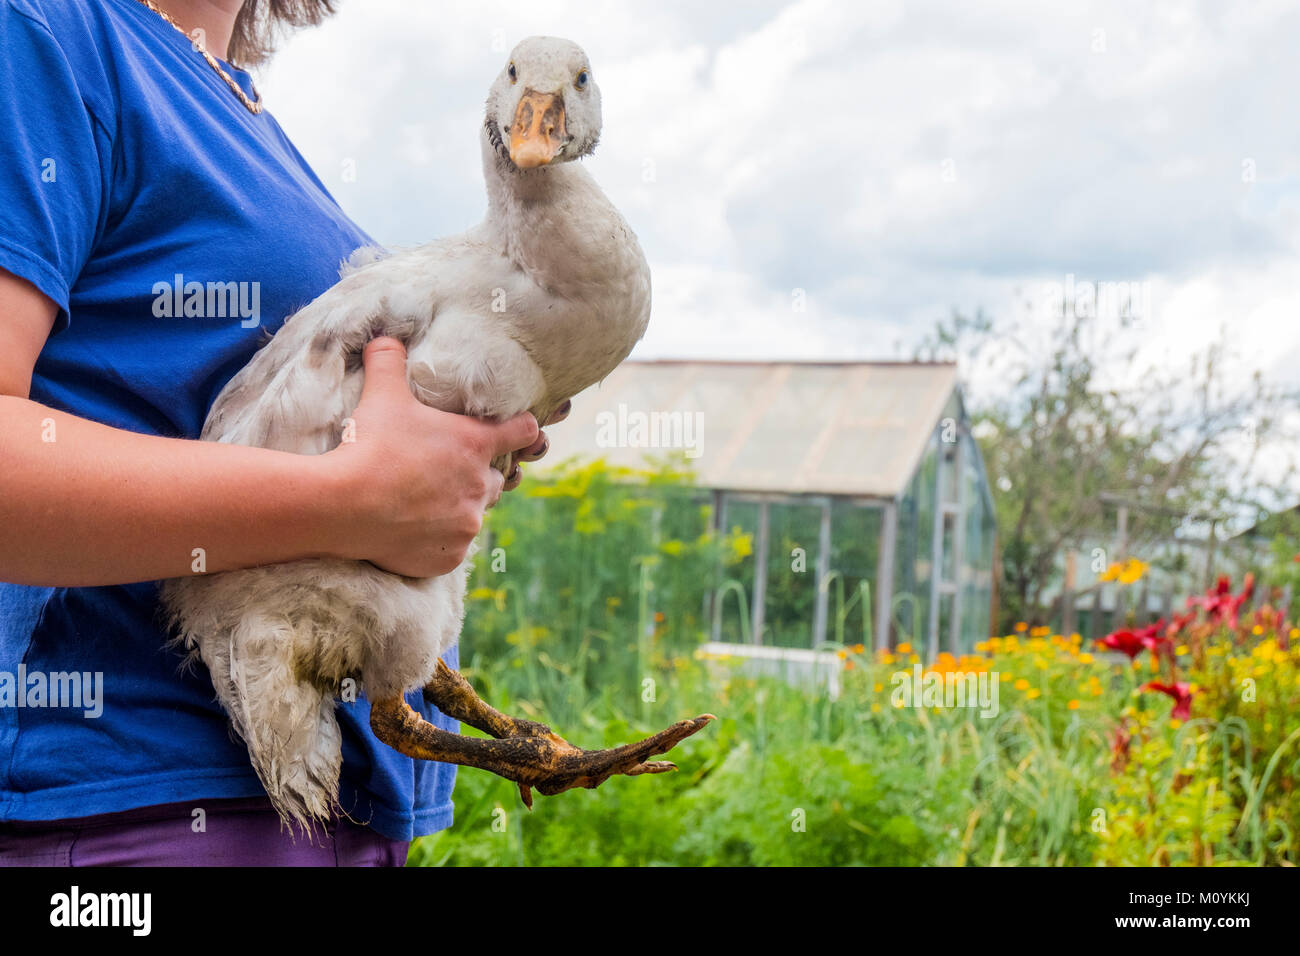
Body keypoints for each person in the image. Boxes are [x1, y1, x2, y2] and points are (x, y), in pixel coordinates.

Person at [0, 0, 547, 865]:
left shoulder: (239, 111)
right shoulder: (46, 36)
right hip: (136, 805)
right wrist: (357, 497)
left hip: (317, 806)